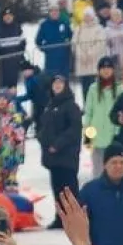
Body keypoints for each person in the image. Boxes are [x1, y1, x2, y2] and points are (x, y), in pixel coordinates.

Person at [36, 75, 83, 214]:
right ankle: (60, 217)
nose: (57, 86)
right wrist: (42, 138)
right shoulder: (50, 106)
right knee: (57, 190)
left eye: (60, 83)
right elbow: (44, 127)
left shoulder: (71, 106)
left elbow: (74, 130)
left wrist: (57, 144)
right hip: (53, 158)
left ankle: (74, 217)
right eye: (55, 83)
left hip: (67, 157)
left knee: (69, 190)